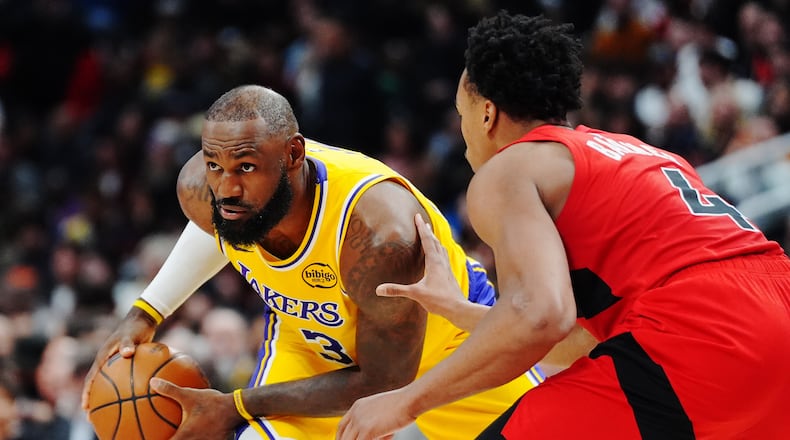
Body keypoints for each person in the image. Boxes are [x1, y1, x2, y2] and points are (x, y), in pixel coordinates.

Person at [337, 11, 790, 440]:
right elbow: (580, 342)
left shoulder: (508, 170)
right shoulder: (636, 151)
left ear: (488, 114)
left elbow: (541, 315)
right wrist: (459, 310)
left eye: (462, 114)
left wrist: (403, 403)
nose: (463, 135)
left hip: (701, 328)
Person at [80, 84, 545, 439]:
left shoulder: (379, 235)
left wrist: (237, 406)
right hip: (312, 352)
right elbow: (215, 227)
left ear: (293, 155)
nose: (227, 188)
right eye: (214, 165)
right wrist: (146, 311)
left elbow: (384, 380)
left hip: (450, 349)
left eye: (245, 167)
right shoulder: (206, 192)